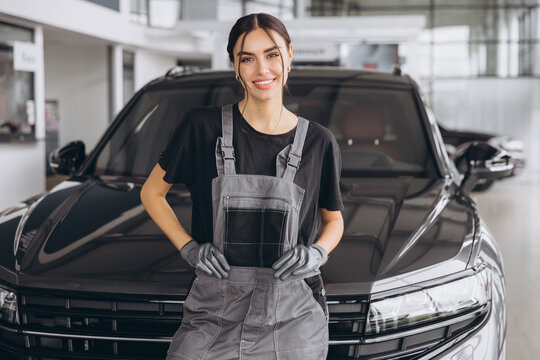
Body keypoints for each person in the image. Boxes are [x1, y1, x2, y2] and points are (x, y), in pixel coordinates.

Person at [140, 12, 344, 360]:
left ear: (289, 55)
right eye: (247, 58)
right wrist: (189, 248)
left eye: (271, 54)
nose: (261, 69)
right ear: (234, 65)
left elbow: (334, 219)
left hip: (292, 317)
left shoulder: (318, 142)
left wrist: (317, 253)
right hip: (213, 313)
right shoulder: (201, 127)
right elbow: (151, 193)